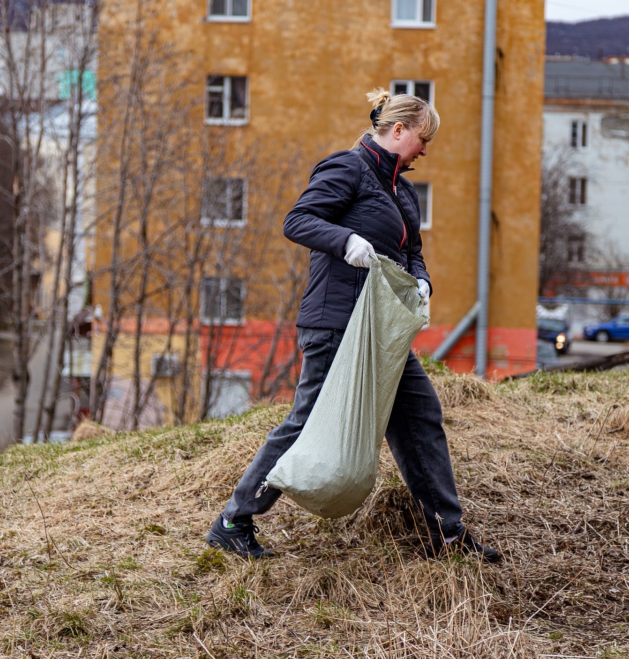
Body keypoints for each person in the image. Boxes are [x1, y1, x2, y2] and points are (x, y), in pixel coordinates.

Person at [205, 89, 501, 563]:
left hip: (380, 333)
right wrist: (345, 241)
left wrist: (422, 281)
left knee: (420, 418)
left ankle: (448, 535)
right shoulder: (347, 168)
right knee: (307, 422)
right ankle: (234, 521)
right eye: (423, 138)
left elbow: (412, 253)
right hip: (335, 323)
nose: (426, 149)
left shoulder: (402, 189)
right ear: (398, 130)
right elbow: (297, 220)